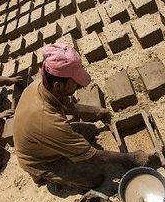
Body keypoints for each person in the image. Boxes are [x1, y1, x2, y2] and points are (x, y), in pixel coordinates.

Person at [13, 43, 155, 189]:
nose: (79, 86)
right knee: (95, 177)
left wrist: (97, 111)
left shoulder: (42, 85)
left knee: (91, 130)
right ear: (58, 86)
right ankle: (40, 175)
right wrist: (131, 158)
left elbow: (68, 106)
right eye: (75, 82)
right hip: (42, 159)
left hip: (41, 138)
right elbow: (92, 155)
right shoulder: (49, 122)